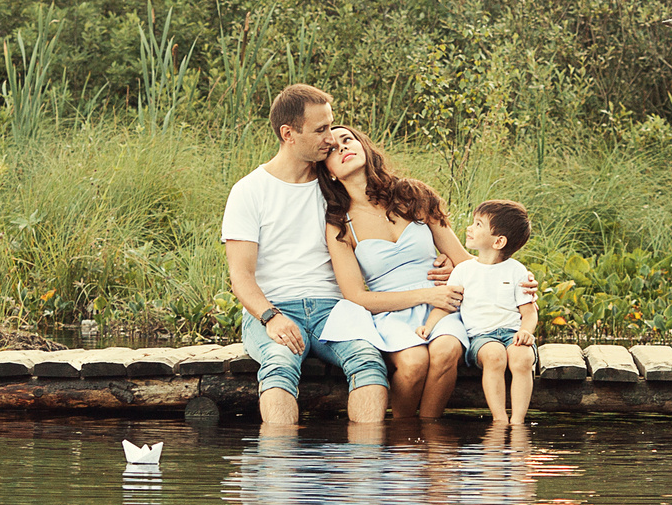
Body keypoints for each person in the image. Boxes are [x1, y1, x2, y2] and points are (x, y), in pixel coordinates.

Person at [221, 85, 391, 427]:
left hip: (335, 309)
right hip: (275, 307)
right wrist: (271, 317)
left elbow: (389, 226)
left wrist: (438, 258)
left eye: (331, 125)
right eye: (321, 129)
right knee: (280, 363)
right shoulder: (249, 191)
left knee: (368, 360)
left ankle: (366, 470)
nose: (332, 138)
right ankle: (281, 472)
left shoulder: (335, 184)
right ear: (289, 134)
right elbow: (241, 276)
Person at [316, 125, 475, 422]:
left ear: (363, 146)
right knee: (414, 362)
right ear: (330, 172)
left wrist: (513, 276)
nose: (343, 148)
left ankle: (429, 440)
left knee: (446, 351)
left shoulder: (412, 195)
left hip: (442, 306)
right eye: (333, 149)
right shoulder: (340, 223)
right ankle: (402, 439)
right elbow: (356, 296)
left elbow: (463, 259)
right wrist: (427, 293)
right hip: (392, 310)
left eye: (347, 140)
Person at [414, 200, 537, 424]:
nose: (469, 228)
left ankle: (518, 421)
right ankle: (500, 419)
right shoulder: (463, 271)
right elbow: (446, 304)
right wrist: (428, 326)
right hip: (482, 336)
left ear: (498, 241)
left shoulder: (517, 271)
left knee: (522, 357)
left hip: (512, 332)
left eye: (478, 224)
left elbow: (528, 312)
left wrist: (526, 331)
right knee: (494, 356)